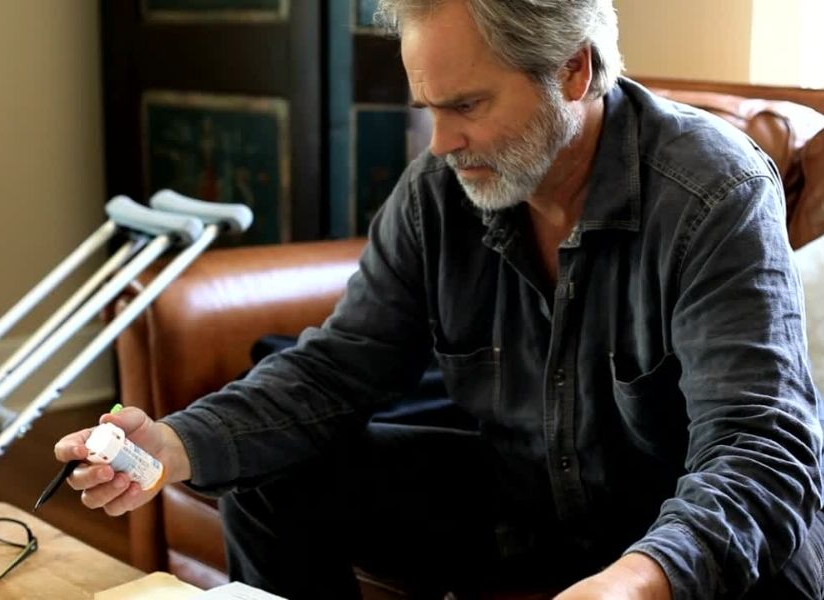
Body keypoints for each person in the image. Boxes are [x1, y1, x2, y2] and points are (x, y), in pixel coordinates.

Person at [55, 0, 824, 598]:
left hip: (678, 532)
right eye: (429, 107)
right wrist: (175, 444)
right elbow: (337, 370)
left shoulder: (712, 192)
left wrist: (639, 579)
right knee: (272, 476)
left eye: (466, 105)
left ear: (574, 73)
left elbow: (762, 452)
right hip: (525, 501)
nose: (440, 142)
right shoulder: (442, 190)